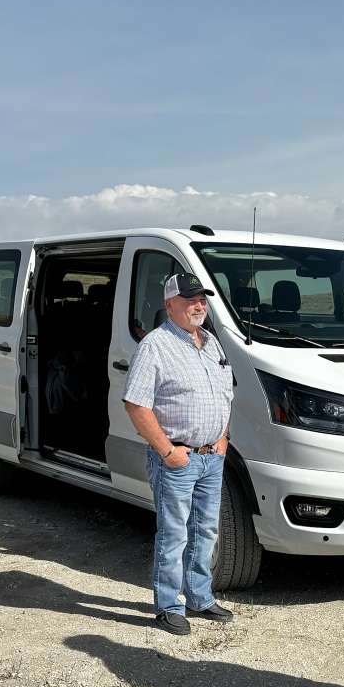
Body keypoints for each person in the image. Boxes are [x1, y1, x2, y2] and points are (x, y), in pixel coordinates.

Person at [123, 272, 236, 635]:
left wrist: (224, 438)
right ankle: (169, 606)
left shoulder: (212, 343)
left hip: (212, 456)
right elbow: (136, 404)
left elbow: (225, 395)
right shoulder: (155, 346)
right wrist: (167, 450)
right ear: (170, 305)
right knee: (174, 534)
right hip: (178, 458)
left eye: (202, 299)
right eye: (189, 300)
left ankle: (200, 598)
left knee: (206, 531)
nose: (198, 306)